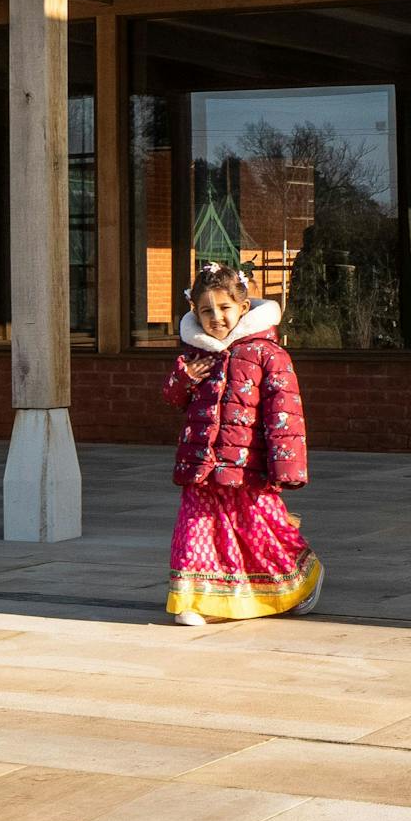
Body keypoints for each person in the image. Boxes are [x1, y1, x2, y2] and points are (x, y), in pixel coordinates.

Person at [163, 259, 319, 626]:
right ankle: (193, 600)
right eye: (206, 311)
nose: (216, 317)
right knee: (195, 532)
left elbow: (285, 414)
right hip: (201, 465)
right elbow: (172, 398)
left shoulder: (268, 354)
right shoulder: (195, 356)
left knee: (262, 533)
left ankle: (302, 580)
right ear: (194, 312)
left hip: (248, 468)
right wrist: (183, 377)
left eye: (224, 307)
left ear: (243, 307)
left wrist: (286, 466)